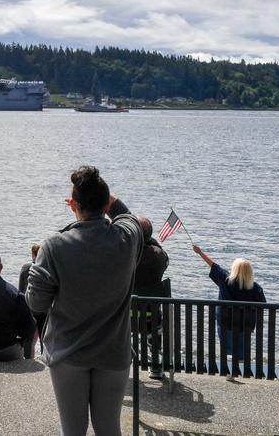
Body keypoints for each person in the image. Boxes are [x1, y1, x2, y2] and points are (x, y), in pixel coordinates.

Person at [25, 166, 143, 436]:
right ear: (105, 203)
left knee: (73, 430)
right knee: (110, 428)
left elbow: (36, 303)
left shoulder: (54, 247)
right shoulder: (127, 238)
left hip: (68, 353)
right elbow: (128, 216)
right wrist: (104, 198)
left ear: (73, 205)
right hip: (114, 352)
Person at [192, 245, 267, 360]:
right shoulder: (255, 288)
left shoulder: (225, 279)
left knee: (227, 349)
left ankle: (229, 372)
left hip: (225, 322)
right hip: (244, 325)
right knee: (241, 351)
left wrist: (200, 252)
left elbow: (213, 265)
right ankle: (241, 369)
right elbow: (263, 305)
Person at [134, 216, 169, 378]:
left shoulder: (124, 256)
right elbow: (165, 258)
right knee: (156, 317)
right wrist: (152, 241)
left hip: (123, 319)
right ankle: (155, 365)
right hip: (150, 319)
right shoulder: (158, 257)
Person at [18, 243, 47, 359]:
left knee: (28, 339)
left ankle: (28, 361)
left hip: (29, 310)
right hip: (44, 310)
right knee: (44, 338)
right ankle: (46, 361)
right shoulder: (48, 268)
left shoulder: (26, 267)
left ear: (33, 254)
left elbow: (20, 290)